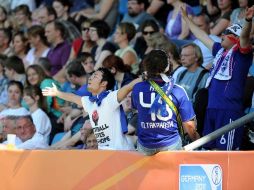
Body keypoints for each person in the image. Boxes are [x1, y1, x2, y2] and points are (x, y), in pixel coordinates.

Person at [181, 5, 254, 150]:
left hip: (229, 110)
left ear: (235, 39)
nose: (222, 34)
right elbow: (202, 36)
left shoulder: (242, 55)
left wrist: (247, 20)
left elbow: (245, 36)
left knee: (227, 154)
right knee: (209, 152)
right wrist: (186, 19)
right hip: (211, 108)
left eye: (227, 32)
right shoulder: (219, 51)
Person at [42, 67, 142, 150]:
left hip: (119, 152)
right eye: (91, 76)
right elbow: (73, 97)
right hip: (103, 152)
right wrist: (57, 93)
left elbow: (128, 87)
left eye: (95, 76)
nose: (90, 78)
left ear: (103, 83)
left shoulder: (110, 98)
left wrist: (145, 77)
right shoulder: (90, 102)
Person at [131, 50, 200, 155]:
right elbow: (189, 126)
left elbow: (137, 113)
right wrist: (197, 141)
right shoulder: (178, 90)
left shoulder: (137, 88)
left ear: (146, 67)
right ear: (168, 67)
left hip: (145, 146)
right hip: (170, 144)